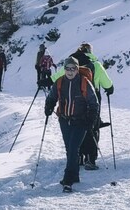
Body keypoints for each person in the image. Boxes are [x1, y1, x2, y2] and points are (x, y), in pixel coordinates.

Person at [44, 56, 99, 193]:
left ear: (77, 69)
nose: (70, 71)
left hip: (80, 121)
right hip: (64, 120)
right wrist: (49, 107)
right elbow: (52, 97)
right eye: (67, 69)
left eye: (73, 69)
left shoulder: (84, 82)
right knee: (70, 149)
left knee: (74, 148)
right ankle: (74, 176)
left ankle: (67, 180)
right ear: (64, 69)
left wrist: (90, 120)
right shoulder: (59, 82)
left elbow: (94, 103)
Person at [77, 43, 114, 171]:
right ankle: (90, 159)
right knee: (93, 127)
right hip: (93, 99)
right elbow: (108, 84)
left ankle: (78, 156)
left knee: (78, 126)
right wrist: (110, 89)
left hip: (77, 100)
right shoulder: (97, 65)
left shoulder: (73, 63)